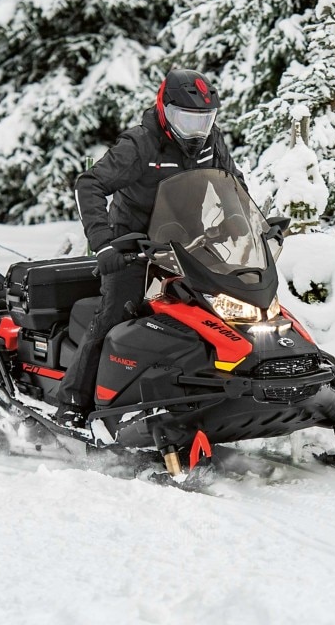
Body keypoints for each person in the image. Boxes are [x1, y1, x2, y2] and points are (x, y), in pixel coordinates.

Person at [55, 69, 247, 428]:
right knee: (115, 317)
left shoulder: (211, 142)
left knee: (222, 315)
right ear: (165, 110)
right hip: (133, 249)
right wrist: (104, 244)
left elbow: (233, 183)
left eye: (203, 121)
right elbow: (90, 184)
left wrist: (240, 220)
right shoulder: (141, 144)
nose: (195, 131)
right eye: (186, 120)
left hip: (188, 247)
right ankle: (73, 404)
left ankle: (215, 392)